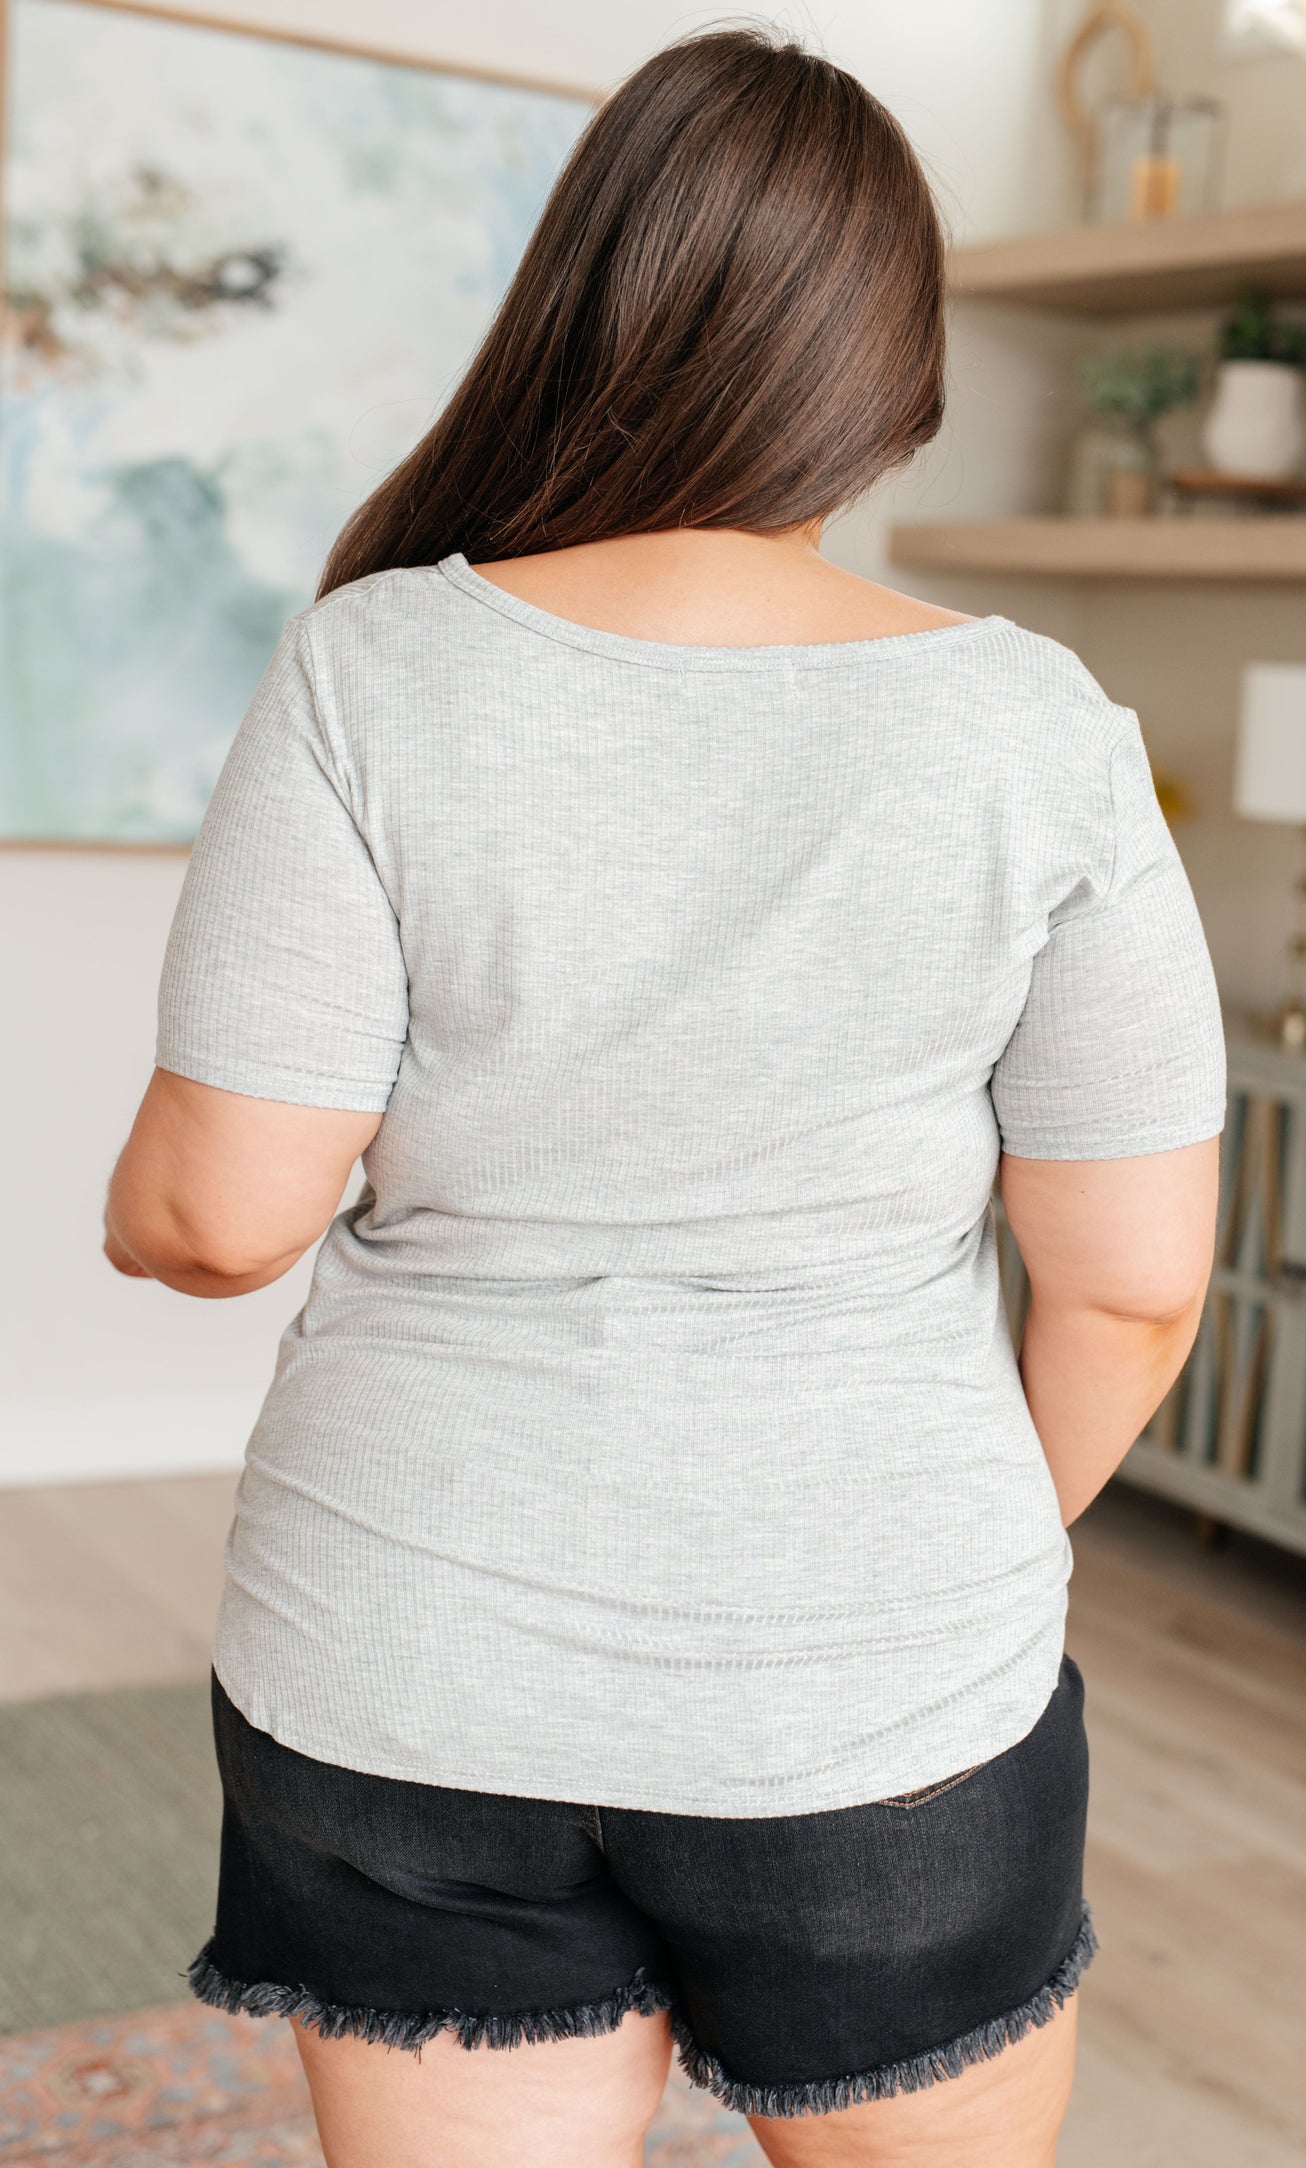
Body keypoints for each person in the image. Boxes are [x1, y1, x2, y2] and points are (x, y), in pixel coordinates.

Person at [104, 27, 1224, 2168]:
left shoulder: (376, 664)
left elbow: (218, 1216)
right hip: (878, 1680)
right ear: (894, 370)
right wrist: (931, 1557)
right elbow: (1132, 1288)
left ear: (580, 306)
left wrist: (137, 1204)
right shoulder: (1037, 733)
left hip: (407, 1652)